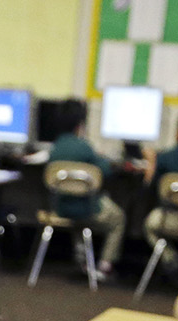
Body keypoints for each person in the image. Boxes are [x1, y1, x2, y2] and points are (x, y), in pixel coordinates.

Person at [42, 98, 130, 278]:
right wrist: (101, 158)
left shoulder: (55, 149)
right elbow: (105, 171)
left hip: (60, 207)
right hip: (86, 209)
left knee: (77, 212)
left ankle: (81, 257)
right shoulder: (85, 147)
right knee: (118, 218)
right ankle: (105, 265)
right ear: (80, 124)